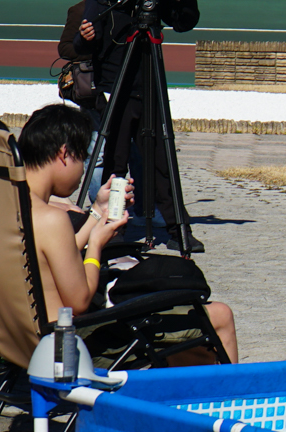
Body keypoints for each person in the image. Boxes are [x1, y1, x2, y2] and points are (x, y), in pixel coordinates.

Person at [17, 104, 239, 363]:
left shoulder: (9, 208)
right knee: (220, 315)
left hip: (22, 342)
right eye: (83, 159)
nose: (82, 170)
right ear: (64, 154)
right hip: (70, 347)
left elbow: (45, 256)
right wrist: (97, 246)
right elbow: (79, 301)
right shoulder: (52, 219)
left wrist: (98, 213)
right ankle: (227, 400)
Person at [78, 0, 201, 250]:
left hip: (148, 87)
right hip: (117, 87)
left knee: (162, 161)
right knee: (116, 164)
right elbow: (81, 41)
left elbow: (184, 21)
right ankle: (111, 227)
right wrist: (86, 36)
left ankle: (178, 230)